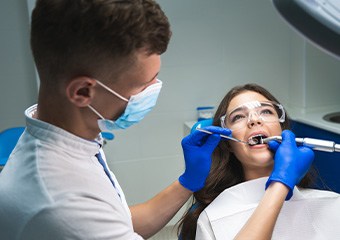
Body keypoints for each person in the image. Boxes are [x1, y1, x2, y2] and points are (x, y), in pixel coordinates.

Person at [0, 1, 232, 239]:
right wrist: (274, 190)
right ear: (82, 92)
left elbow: (118, 221)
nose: (154, 90)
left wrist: (187, 182)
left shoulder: (64, 135)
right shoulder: (62, 204)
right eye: (144, 85)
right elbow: (91, 225)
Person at [178, 83, 340, 239]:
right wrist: (282, 182)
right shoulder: (211, 219)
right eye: (238, 116)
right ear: (228, 143)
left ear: (283, 131)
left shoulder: (332, 205)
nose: (254, 120)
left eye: (266, 111)